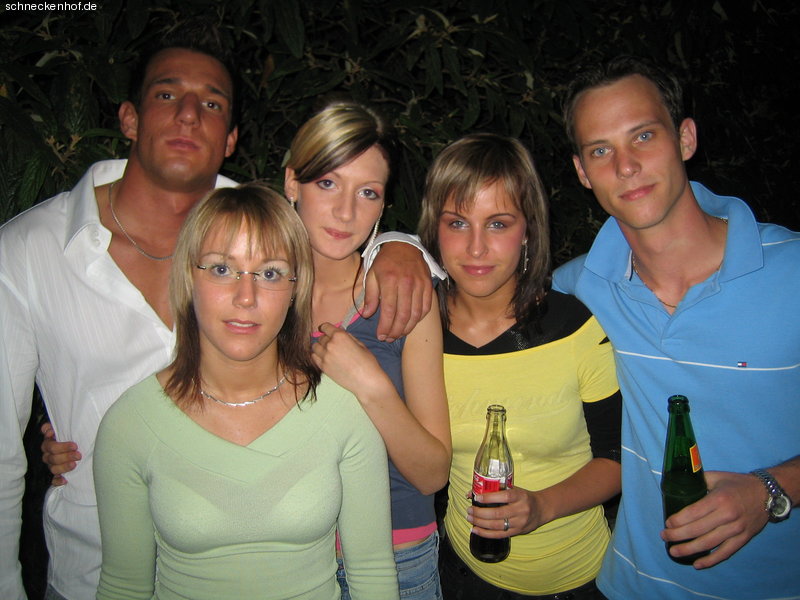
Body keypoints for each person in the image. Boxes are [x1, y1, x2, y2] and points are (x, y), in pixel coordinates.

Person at [0, 27, 431, 600]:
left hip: (299, 550)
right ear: (129, 117)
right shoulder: (28, 252)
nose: (187, 115)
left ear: (231, 138)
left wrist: (403, 246)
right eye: (166, 94)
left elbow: (332, 217)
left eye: (210, 103)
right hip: (93, 557)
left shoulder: (261, 230)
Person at [553, 56, 800, 599]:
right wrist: (395, 248)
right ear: (582, 172)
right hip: (630, 586)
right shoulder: (577, 290)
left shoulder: (793, 272)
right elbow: (472, 292)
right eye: (601, 150)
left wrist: (770, 490)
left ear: (685, 138)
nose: (625, 166)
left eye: (643, 136)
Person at [93, 182, 398, 599]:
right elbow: (124, 586)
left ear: (295, 288)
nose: (245, 297)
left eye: (270, 273)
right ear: (188, 276)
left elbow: (373, 574)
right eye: (222, 269)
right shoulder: (132, 423)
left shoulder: (343, 410)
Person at [418, 133, 622, 599]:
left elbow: (619, 456)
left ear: (527, 229)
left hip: (579, 579)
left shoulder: (575, 327)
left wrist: (542, 506)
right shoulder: (418, 330)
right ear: (435, 228)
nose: (475, 248)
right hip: (462, 575)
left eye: (498, 223)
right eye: (457, 223)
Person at [286, 101, 451, 599]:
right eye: (327, 183)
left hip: (396, 553)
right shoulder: (259, 297)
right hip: (285, 554)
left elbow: (432, 473)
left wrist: (370, 385)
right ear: (292, 183)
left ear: (383, 205)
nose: (345, 212)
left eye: (367, 193)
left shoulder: (405, 299)